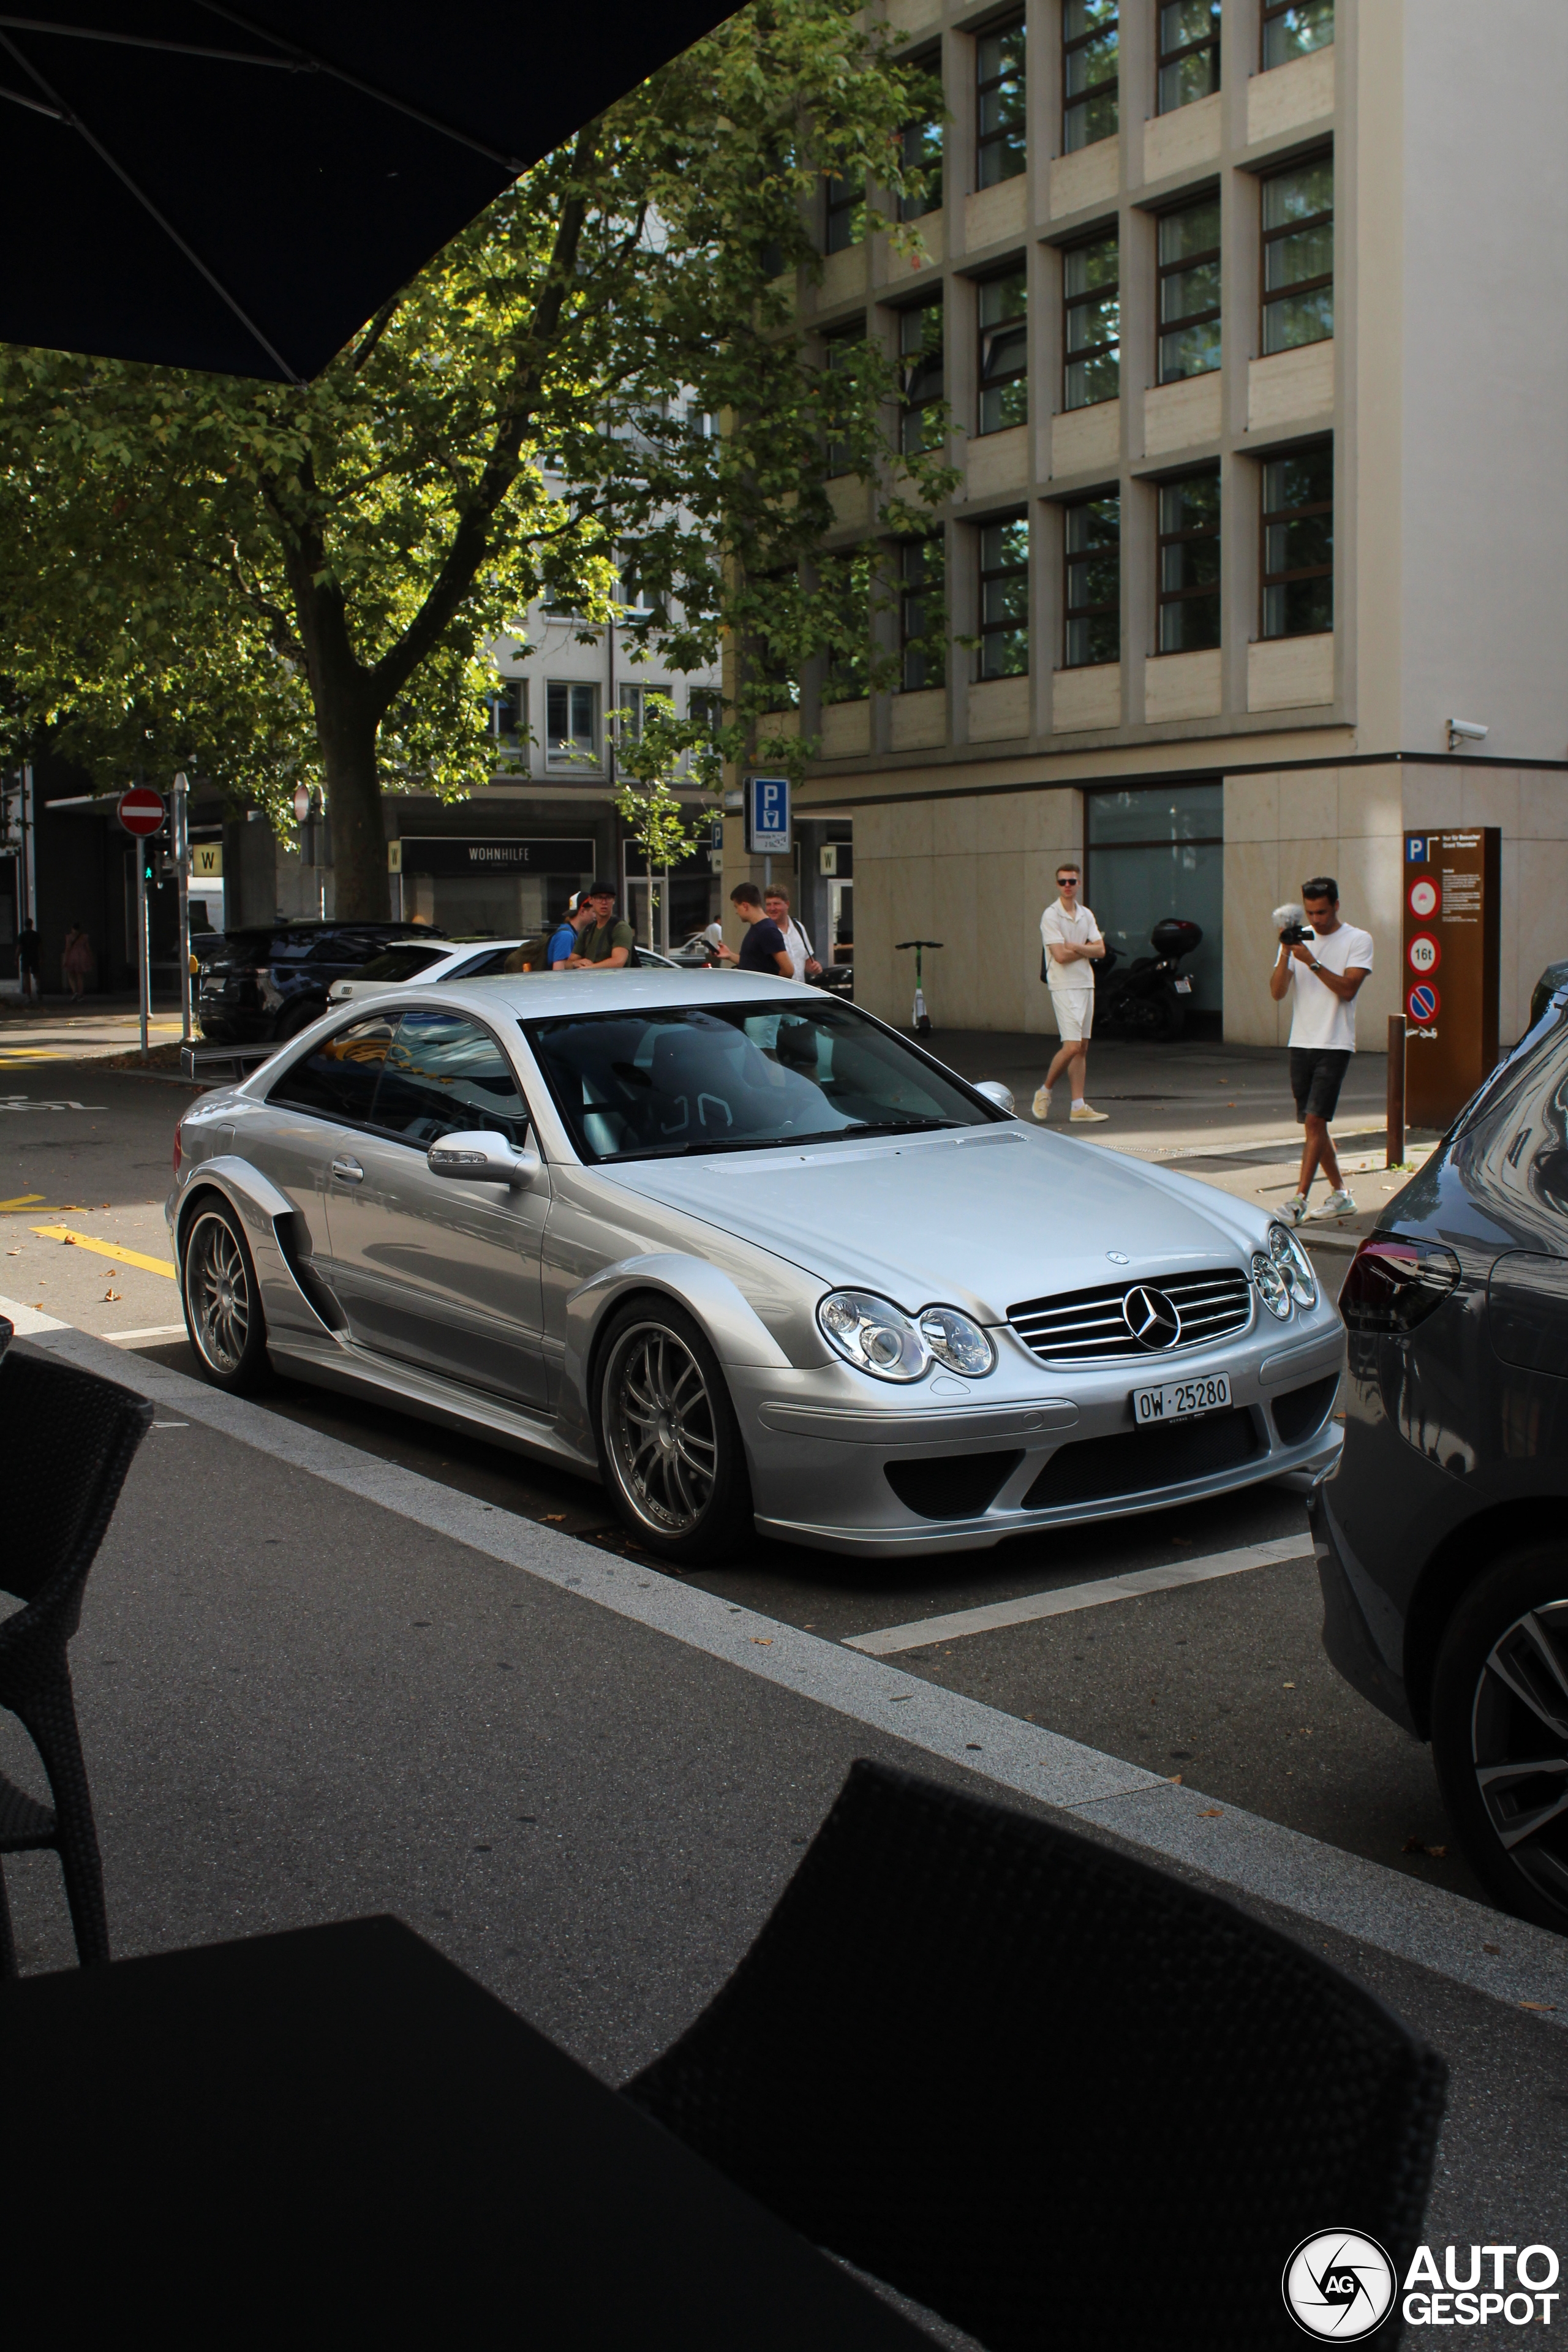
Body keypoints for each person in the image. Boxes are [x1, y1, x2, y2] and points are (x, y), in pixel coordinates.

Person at [1268, 875, 1373, 1222]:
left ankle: (1298, 1200)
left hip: (1335, 1041)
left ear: (1337, 905)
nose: (1316, 920)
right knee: (1314, 1125)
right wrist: (1286, 952)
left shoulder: (1358, 939)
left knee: (1315, 1121)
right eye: (1311, 913)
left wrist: (1312, 961)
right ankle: (1341, 1195)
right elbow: (1277, 992)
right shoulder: (1297, 940)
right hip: (1301, 1041)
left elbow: (1347, 990)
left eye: (1323, 912)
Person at [1032, 864, 1107, 1123]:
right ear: (1057, 885)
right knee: (1072, 1045)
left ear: (1078, 884)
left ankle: (1078, 1106)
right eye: (1063, 881)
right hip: (1063, 985)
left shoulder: (1086, 915)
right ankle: (1045, 1092)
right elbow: (1060, 957)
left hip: (1086, 983)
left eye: (1072, 881)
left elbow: (1101, 951)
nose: (1067, 885)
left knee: (1083, 1047)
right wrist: (1085, 948)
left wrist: (1076, 945)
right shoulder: (1051, 916)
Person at [715, 882, 793, 976]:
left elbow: (788, 970)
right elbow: (754, 964)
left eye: (737, 907)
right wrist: (729, 955)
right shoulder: (757, 928)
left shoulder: (767, 930)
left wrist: (771, 987)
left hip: (763, 989)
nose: (737, 912)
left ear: (745, 906)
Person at [567, 881, 636, 970]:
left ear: (614, 900)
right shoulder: (587, 930)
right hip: (589, 982)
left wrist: (589, 968)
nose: (604, 902)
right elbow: (568, 964)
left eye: (608, 898)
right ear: (591, 900)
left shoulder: (620, 928)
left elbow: (618, 962)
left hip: (615, 982)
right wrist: (575, 963)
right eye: (599, 898)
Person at [763, 886, 822, 982]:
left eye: (776, 904)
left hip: (799, 991)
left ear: (787, 904)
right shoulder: (765, 932)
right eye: (769, 905)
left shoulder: (799, 927)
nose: (772, 908)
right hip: (778, 991)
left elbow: (807, 961)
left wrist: (815, 968)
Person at [543, 893, 593, 971]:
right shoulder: (566, 936)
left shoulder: (575, 934)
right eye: (594, 912)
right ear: (582, 911)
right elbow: (558, 972)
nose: (596, 916)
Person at [61, 922, 93, 1000]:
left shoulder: (69, 937)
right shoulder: (84, 937)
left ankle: (75, 991)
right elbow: (88, 949)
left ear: (72, 929)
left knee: (70, 974)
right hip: (82, 956)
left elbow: (68, 949)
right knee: (80, 976)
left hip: (72, 956)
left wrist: (65, 960)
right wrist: (91, 958)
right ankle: (80, 994)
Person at [16, 916, 40, 1006]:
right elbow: (40, 947)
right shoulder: (36, 935)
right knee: (36, 974)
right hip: (35, 957)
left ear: (24, 925)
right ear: (32, 924)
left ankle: (29, 997)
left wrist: (16, 958)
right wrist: (42, 957)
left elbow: (19, 948)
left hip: (25, 958)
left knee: (26, 977)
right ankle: (38, 988)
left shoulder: (22, 935)